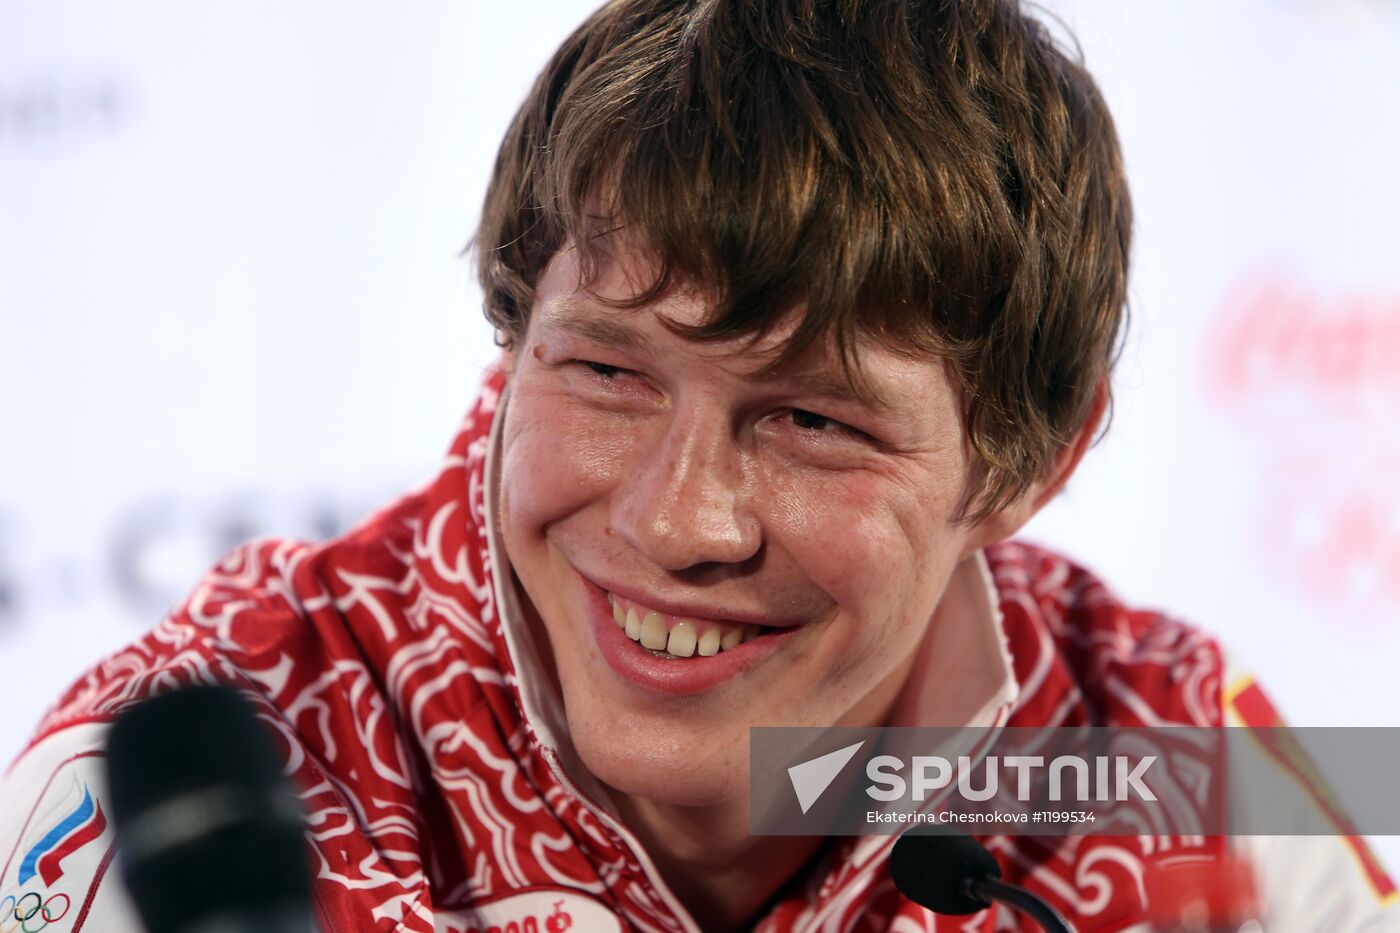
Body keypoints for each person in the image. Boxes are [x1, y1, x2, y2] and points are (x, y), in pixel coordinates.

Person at [1, 1, 1395, 930]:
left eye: (813, 421)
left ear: (1036, 458)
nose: (680, 520)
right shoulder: (195, 801)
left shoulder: (1185, 764)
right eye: (608, 371)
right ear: (512, 333)